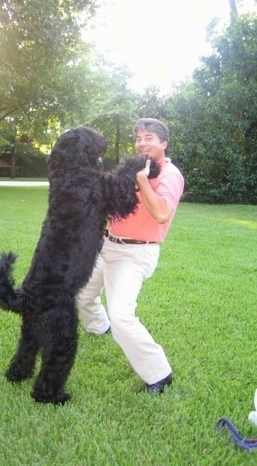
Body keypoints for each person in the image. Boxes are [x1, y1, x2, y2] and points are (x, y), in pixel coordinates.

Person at [77, 117, 184, 394]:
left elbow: (161, 213)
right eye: (138, 138)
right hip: (107, 245)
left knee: (122, 315)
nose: (142, 142)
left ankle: (160, 374)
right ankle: (99, 327)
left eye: (149, 137)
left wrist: (142, 182)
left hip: (135, 253)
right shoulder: (135, 168)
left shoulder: (170, 175)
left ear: (164, 143)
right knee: (81, 295)